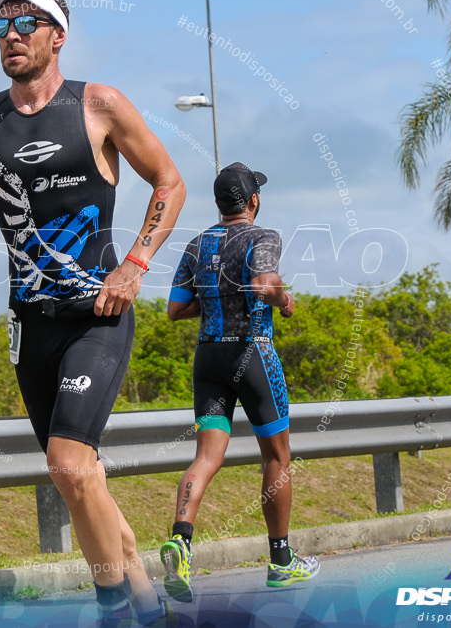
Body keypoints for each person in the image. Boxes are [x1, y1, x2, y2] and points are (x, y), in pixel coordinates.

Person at [0, 0, 186, 626]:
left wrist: (134, 265)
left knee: (70, 465)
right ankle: (148, 606)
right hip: (30, 322)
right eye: (1, 28)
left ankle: (111, 612)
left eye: (26, 24)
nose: (11, 36)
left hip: (97, 316)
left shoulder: (98, 104)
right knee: (81, 479)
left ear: (58, 35)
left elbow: (169, 181)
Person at [159, 162, 319, 599]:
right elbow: (265, 284)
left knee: (207, 455)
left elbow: (175, 309)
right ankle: (281, 560)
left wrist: (216, 296)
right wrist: (283, 299)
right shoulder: (263, 236)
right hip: (252, 352)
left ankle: (181, 538)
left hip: (208, 357)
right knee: (276, 457)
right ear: (252, 201)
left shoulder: (197, 244)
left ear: (217, 203)